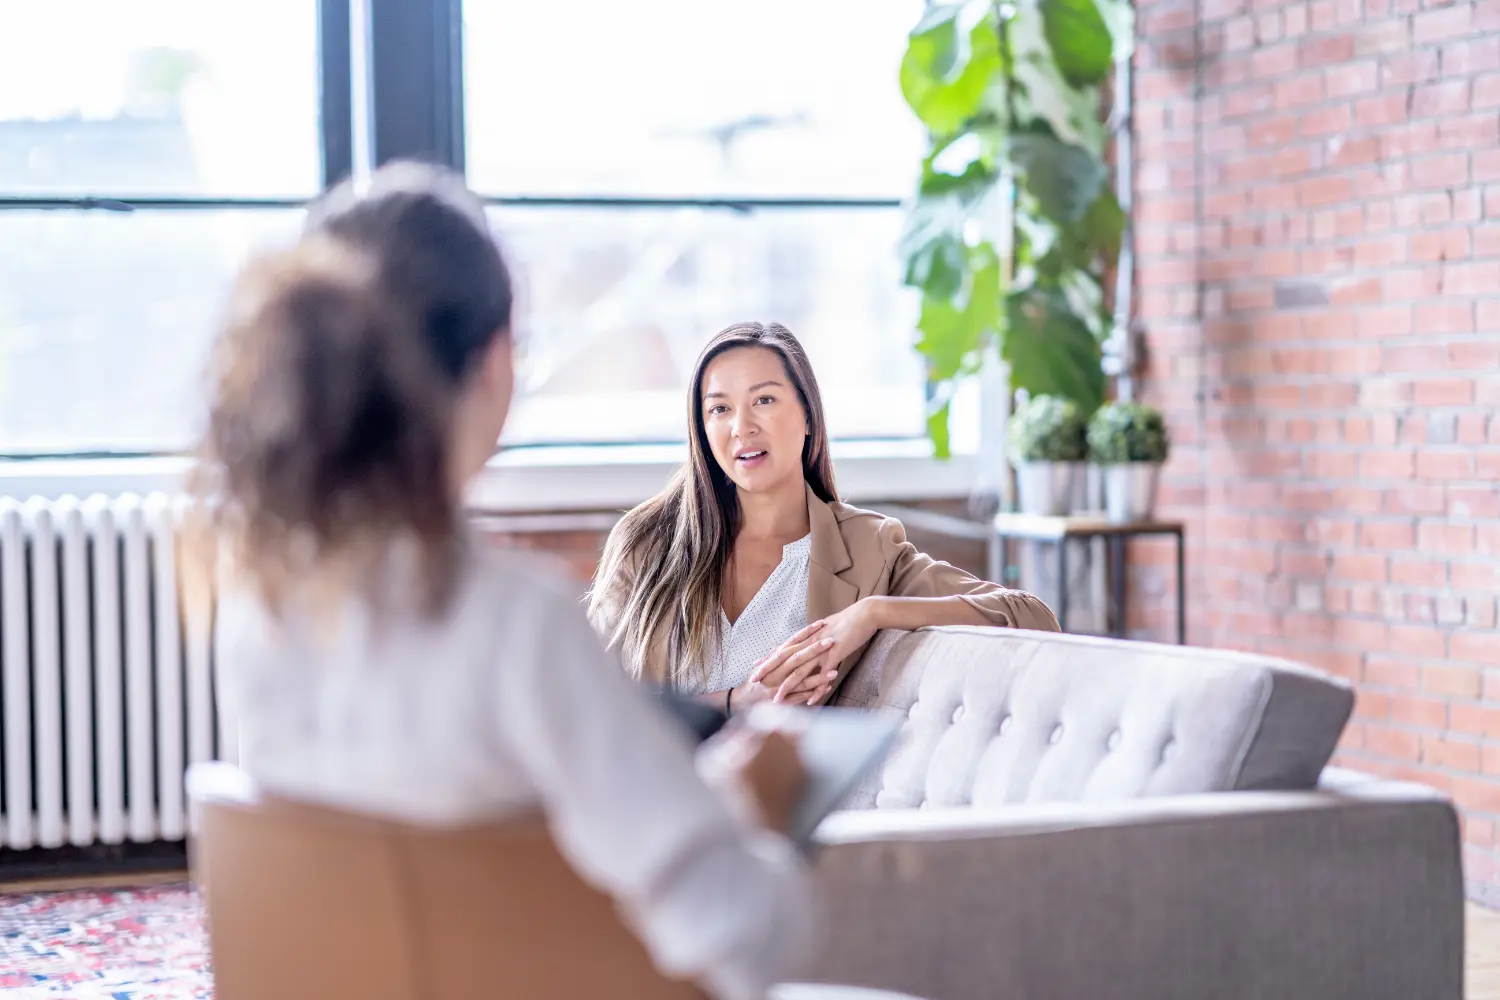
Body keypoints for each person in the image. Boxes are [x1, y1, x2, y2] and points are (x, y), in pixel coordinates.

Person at [190, 163, 812, 1000]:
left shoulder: (258, 606)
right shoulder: (517, 622)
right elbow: (741, 940)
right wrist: (751, 812)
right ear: (493, 363)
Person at [587, 321, 1061, 712]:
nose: (742, 426)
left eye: (764, 400)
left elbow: (1031, 616)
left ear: (808, 414)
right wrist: (736, 702)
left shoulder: (866, 547)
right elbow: (589, 703)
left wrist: (873, 611)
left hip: (789, 808)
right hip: (657, 801)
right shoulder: (646, 542)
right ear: (703, 428)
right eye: (720, 409)